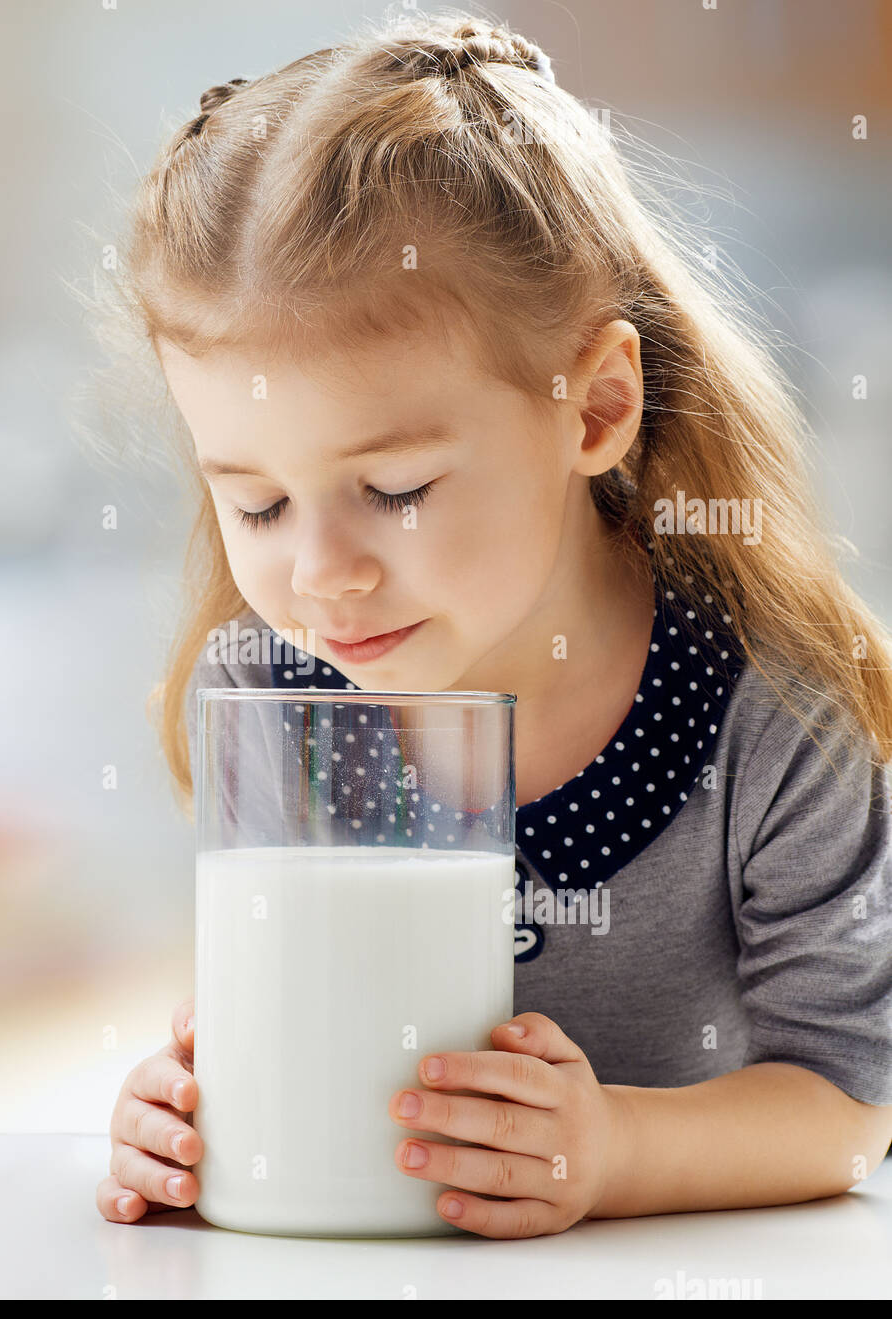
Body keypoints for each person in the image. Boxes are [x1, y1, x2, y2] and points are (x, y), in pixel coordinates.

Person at [90, 10, 892, 1238]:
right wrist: (184, 1115)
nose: (321, 575)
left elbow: (845, 1099)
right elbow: (262, 1038)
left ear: (595, 408)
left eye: (397, 490)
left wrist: (612, 1149)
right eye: (253, 502)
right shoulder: (263, 695)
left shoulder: (770, 722)